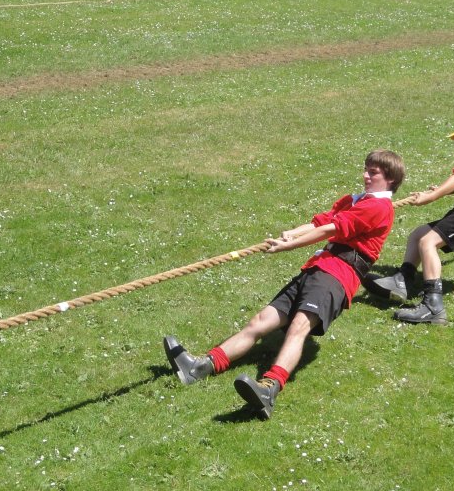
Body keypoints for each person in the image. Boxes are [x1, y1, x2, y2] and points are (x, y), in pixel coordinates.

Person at [162, 150, 405, 420]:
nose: (365, 175)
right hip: (316, 269)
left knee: (299, 326)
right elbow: (321, 222)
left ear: (391, 178)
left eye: (373, 172)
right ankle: (199, 368)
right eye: (366, 169)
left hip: (338, 276)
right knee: (260, 321)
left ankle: (269, 388)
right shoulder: (355, 200)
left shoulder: (379, 207)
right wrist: (292, 233)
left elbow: (331, 230)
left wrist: (290, 246)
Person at [363, 114, 454, 325]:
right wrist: (440, 189)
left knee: (428, 242)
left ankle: (433, 307)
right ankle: (402, 281)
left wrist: (432, 197)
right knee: (418, 235)